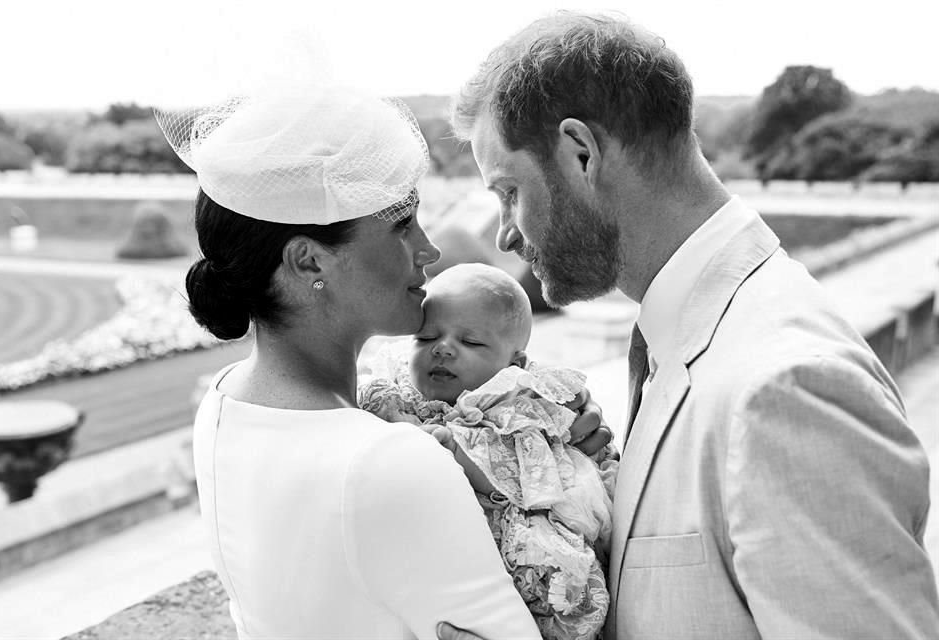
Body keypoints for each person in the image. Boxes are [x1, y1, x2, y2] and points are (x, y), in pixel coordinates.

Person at [437, 11, 939, 640]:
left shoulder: (787, 386)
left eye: (509, 191)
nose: (506, 232)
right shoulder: (696, 338)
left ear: (580, 154)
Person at [157, 86, 546, 639]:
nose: (429, 249)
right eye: (401, 225)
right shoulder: (389, 461)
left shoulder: (224, 400)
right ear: (309, 258)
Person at [358, 263, 616, 640]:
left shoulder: (516, 404)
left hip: (512, 543)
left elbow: (521, 474)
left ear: (514, 363)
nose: (443, 349)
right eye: (426, 337)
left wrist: (451, 449)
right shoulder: (395, 392)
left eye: (472, 342)